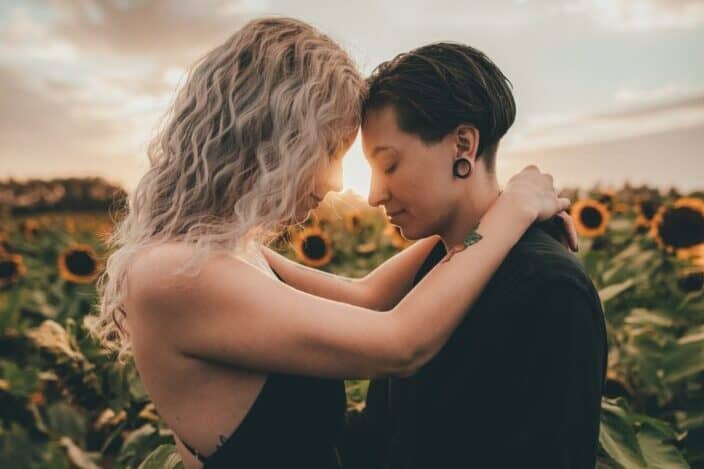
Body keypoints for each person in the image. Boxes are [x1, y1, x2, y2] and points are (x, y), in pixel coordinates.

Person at [90, 18, 574, 469]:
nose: (337, 180)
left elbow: (366, 295)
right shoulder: (175, 275)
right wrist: (510, 212)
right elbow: (400, 342)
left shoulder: (231, 253)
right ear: (272, 136)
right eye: (326, 150)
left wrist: (482, 211)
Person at [333, 43, 608, 469]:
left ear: (463, 145)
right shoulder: (434, 264)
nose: (373, 195)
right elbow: (386, 436)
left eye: (388, 165)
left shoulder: (549, 288)